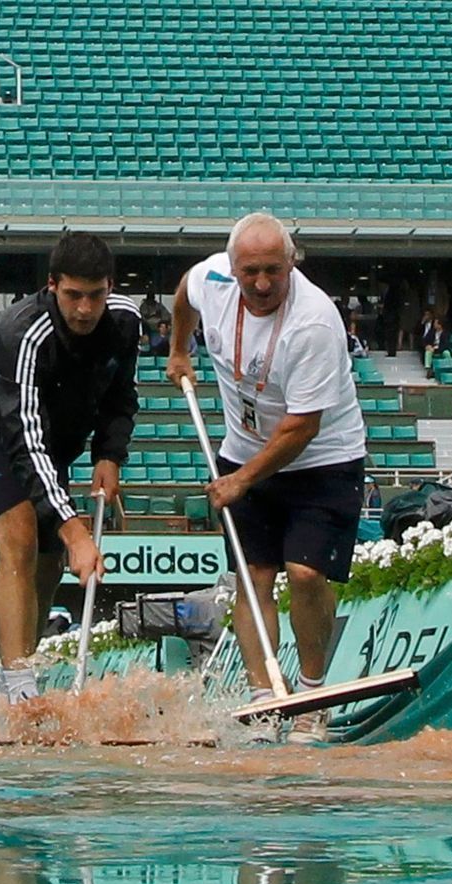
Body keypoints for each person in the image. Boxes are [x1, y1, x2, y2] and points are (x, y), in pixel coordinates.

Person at [168, 212, 369, 744]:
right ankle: (264, 699)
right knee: (254, 577)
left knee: (304, 574)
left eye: (273, 272)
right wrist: (179, 348)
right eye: (250, 271)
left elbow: (302, 427)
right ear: (232, 268)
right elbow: (185, 290)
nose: (261, 284)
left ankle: (310, 695)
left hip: (322, 458)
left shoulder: (314, 322)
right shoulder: (213, 279)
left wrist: (240, 482)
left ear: (292, 263)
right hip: (246, 449)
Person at [0, 231, 139, 705]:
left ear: (110, 286)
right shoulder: (23, 333)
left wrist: (109, 455)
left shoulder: (125, 320)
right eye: (74, 295)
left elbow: (119, 395)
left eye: (96, 295)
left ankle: (10, 676)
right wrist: (75, 532)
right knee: (21, 536)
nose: (86, 309)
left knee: (48, 568)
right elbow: (23, 439)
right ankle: (20, 692)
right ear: (53, 286)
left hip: (54, 439)